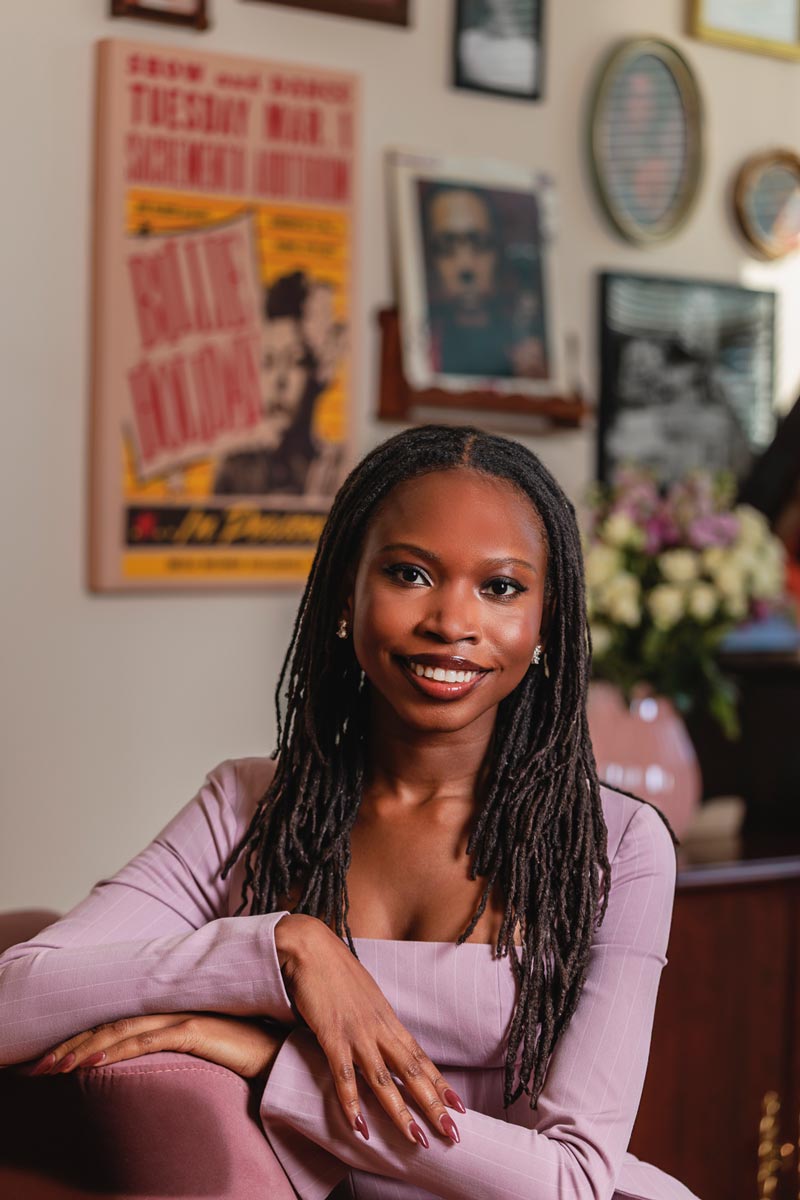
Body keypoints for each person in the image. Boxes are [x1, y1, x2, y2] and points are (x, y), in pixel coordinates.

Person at [0, 426, 697, 1200]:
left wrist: (281, 1067)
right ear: (346, 592)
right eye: (409, 573)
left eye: (500, 588)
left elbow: (572, 1180)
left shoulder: (617, 845)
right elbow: (14, 997)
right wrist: (285, 952)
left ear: (546, 619)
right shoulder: (248, 808)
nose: (451, 622)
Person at [213, 269, 345, 498]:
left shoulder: (339, 471)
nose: (278, 381)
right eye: (268, 362)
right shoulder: (234, 471)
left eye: (294, 361)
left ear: (320, 371)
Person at [423, 184, 546, 380]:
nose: (466, 266)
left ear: (499, 252)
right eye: (446, 246)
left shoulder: (528, 342)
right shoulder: (421, 351)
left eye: (480, 243)